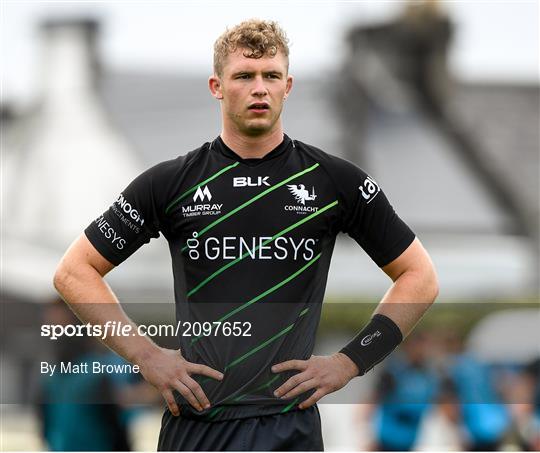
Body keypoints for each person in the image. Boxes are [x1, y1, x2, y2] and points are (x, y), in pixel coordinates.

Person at [53, 19, 439, 451]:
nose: (260, 88)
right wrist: (146, 355)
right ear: (217, 86)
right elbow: (74, 271)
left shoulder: (334, 182)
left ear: (287, 86)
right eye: (244, 76)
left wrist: (350, 362)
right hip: (196, 426)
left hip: (287, 429)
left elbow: (419, 276)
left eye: (271, 76)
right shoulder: (169, 184)